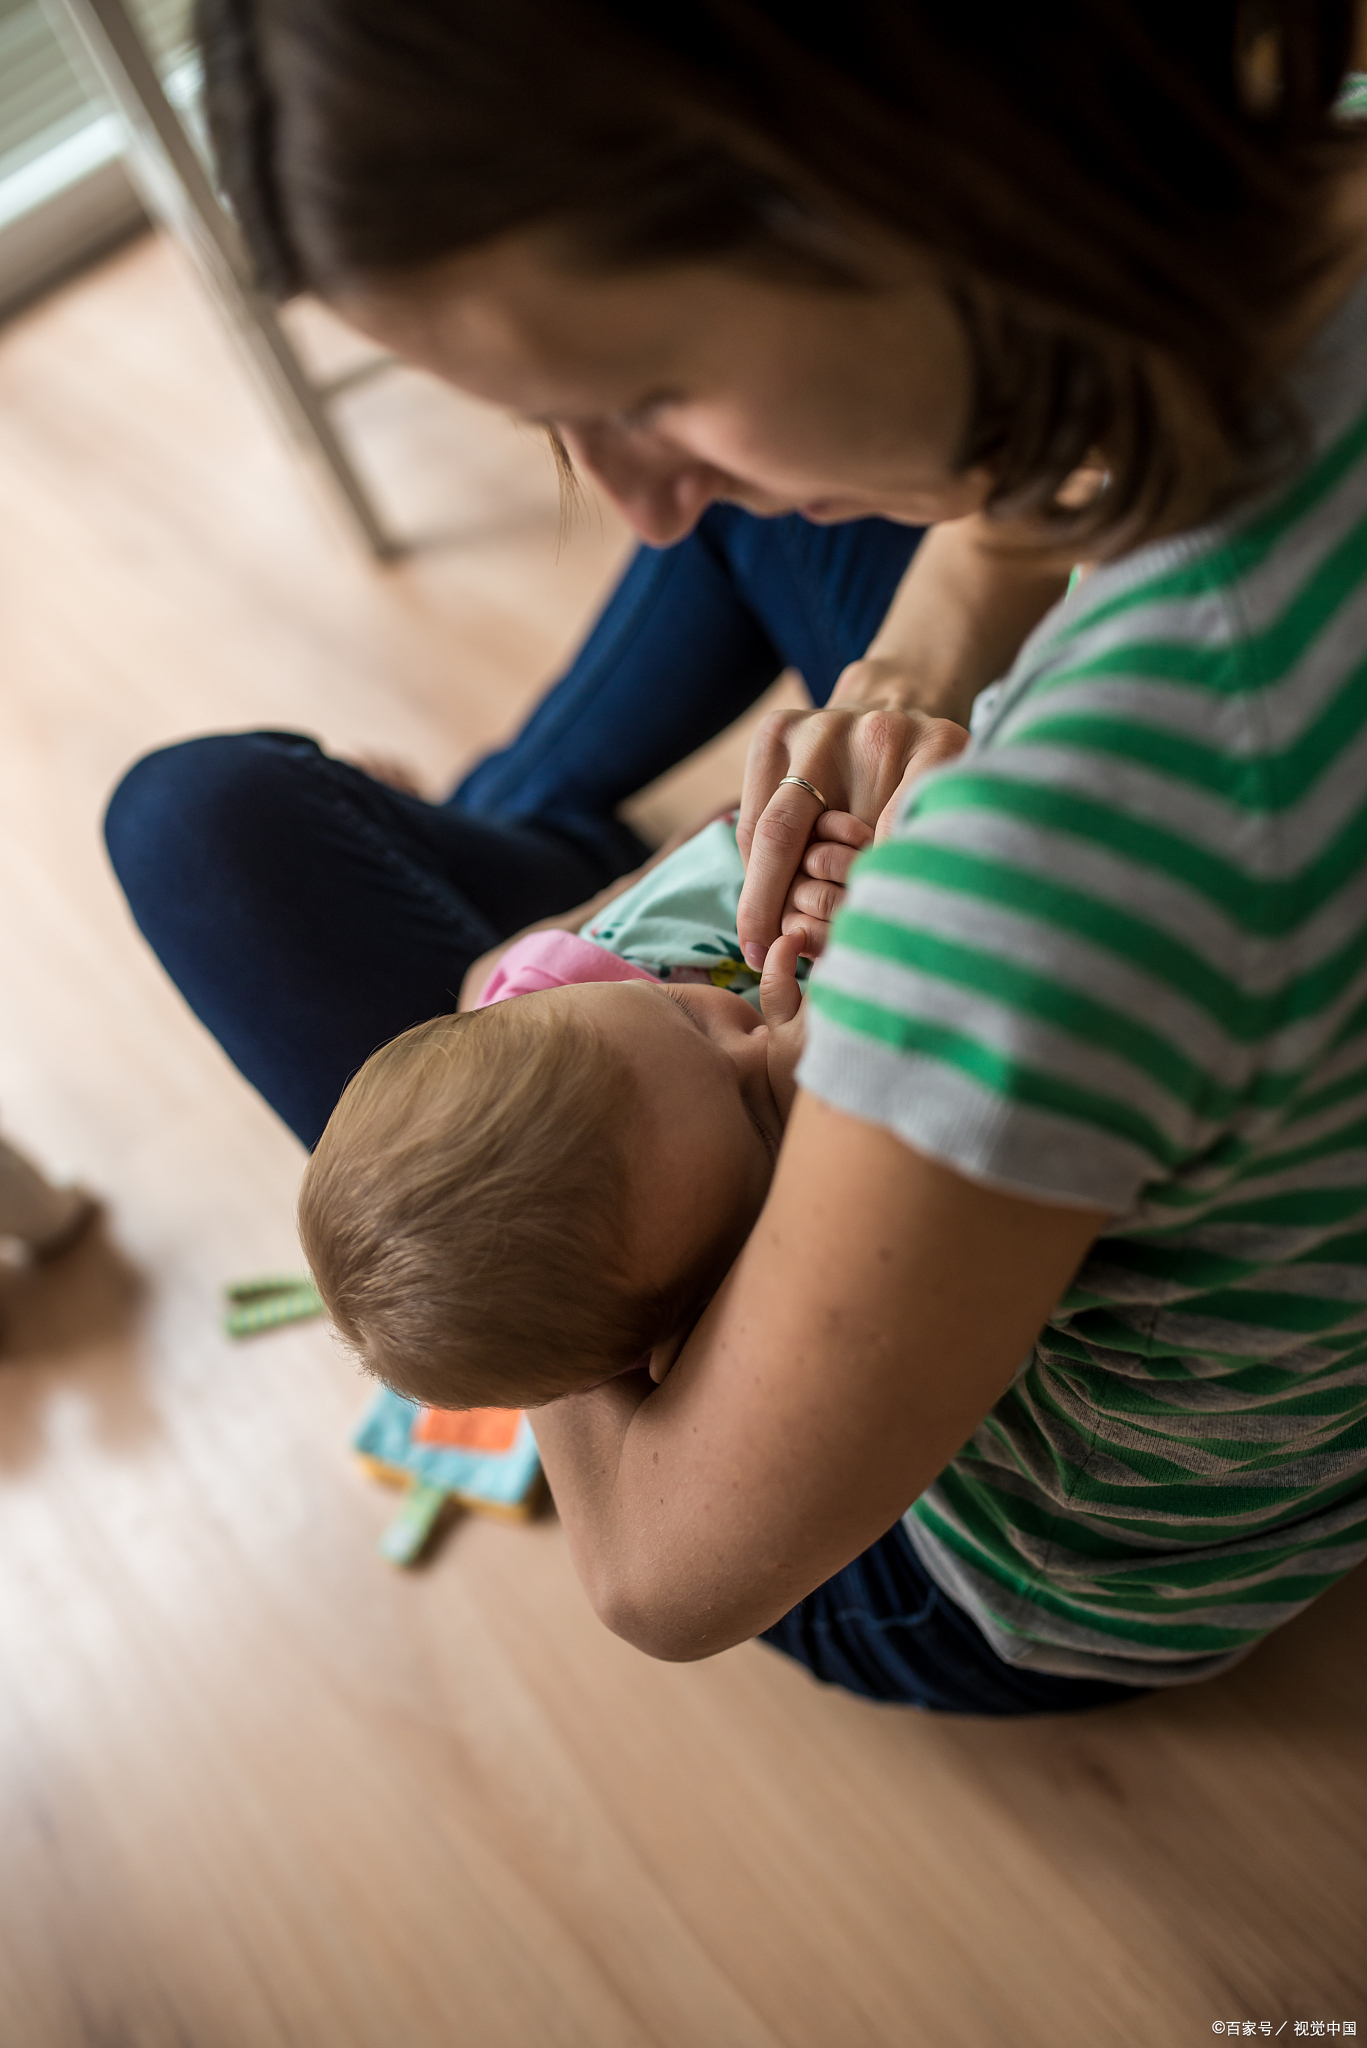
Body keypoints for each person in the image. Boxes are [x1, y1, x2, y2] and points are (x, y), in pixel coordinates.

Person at [129, 0, 1367, 1716]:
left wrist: (510, 1032)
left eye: (638, 390)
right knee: (774, 545)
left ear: (885, 164)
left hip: (987, 1581)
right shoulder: (1287, 170)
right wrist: (906, 674)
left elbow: (651, 1569)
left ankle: (530, 861)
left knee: (194, 826)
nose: (635, 499)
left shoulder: (1032, 893)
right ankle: (539, 830)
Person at [296, 810, 829, 1412]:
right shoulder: (774, 1281)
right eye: (759, 1117)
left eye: (682, 1010)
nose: (756, 1038)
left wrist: (656, 872)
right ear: (702, 1330)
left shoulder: (564, 996)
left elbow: (488, 980)